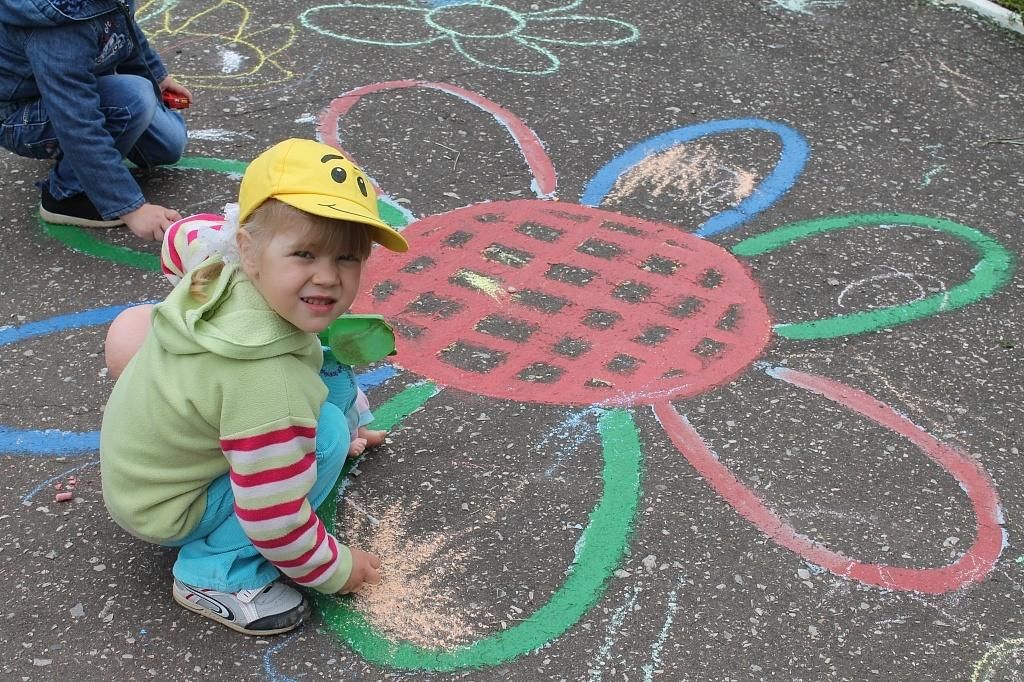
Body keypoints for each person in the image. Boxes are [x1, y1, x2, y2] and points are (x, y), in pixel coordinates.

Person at [99, 138, 410, 636]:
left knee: (320, 369)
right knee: (323, 436)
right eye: (305, 253)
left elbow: (180, 235)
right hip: (170, 507)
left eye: (348, 258)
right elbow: (276, 516)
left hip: (144, 473)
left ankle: (301, 439)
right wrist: (336, 571)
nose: (328, 277)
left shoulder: (216, 256)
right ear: (248, 248)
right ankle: (214, 574)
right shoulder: (267, 381)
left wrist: (356, 414)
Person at [0, 0, 191, 241]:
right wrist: (131, 209)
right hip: (22, 117)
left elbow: (124, 29)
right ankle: (64, 194)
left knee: (168, 145)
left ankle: (87, 162)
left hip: (68, 93)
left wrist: (157, 76)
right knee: (134, 99)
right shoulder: (58, 27)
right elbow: (76, 122)